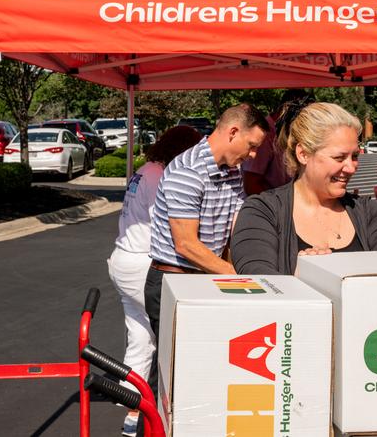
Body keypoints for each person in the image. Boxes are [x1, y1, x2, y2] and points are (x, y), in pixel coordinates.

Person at [143, 103, 268, 396]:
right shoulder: (187, 171)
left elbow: (239, 225)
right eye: (251, 146)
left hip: (205, 278)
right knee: (174, 375)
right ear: (233, 132)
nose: (252, 155)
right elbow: (186, 244)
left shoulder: (233, 171)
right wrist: (239, 276)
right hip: (173, 281)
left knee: (202, 372)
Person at [231, 102, 377, 275]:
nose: (351, 167)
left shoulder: (370, 213)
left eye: (354, 156)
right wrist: (303, 277)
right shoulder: (262, 211)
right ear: (303, 154)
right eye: (339, 158)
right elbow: (259, 279)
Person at [106, 125, 202, 436]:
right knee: (168, 340)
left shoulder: (146, 169)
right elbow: (174, 226)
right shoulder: (163, 176)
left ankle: (132, 413)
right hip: (142, 263)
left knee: (141, 339)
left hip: (122, 258)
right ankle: (158, 415)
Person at [242, 89, 311, 195]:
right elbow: (251, 182)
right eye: (303, 117)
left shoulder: (291, 132)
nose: (306, 123)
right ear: (286, 109)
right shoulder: (265, 135)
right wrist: (275, 207)